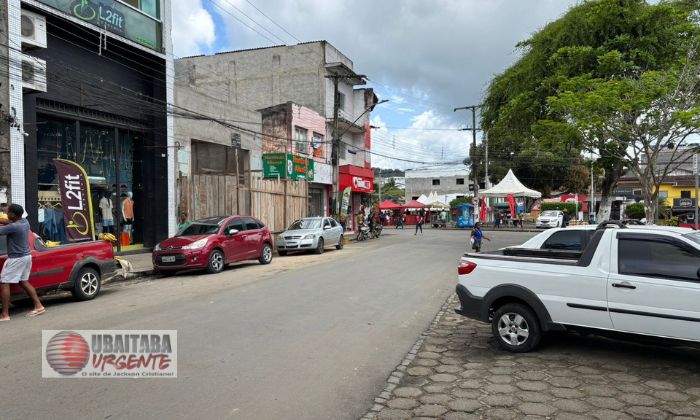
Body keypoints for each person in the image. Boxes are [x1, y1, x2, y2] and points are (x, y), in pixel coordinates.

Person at [0, 204, 45, 321]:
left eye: (8, 212)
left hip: (16, 259)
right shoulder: (25, 222)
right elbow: (7, 222)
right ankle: (39, 306)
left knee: (4, 283)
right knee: (23, 281)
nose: (6, 213)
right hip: (26, 257)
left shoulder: (14, 227)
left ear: (13, 215)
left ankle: (5, 315)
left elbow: (6, 226)